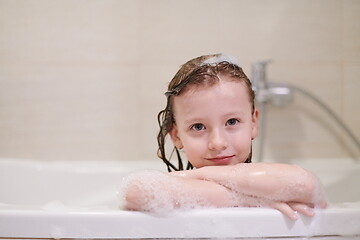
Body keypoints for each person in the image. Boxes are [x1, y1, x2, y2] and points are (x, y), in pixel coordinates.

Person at [120, 54, 327, 220]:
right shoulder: (266, 188)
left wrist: (192, 176)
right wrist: (251, 199)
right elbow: (136, 192)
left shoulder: (182, 183)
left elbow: (307, 186)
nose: (218, 143)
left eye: (232, 122)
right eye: (198, 126)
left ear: (253, 122)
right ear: (176, 136)